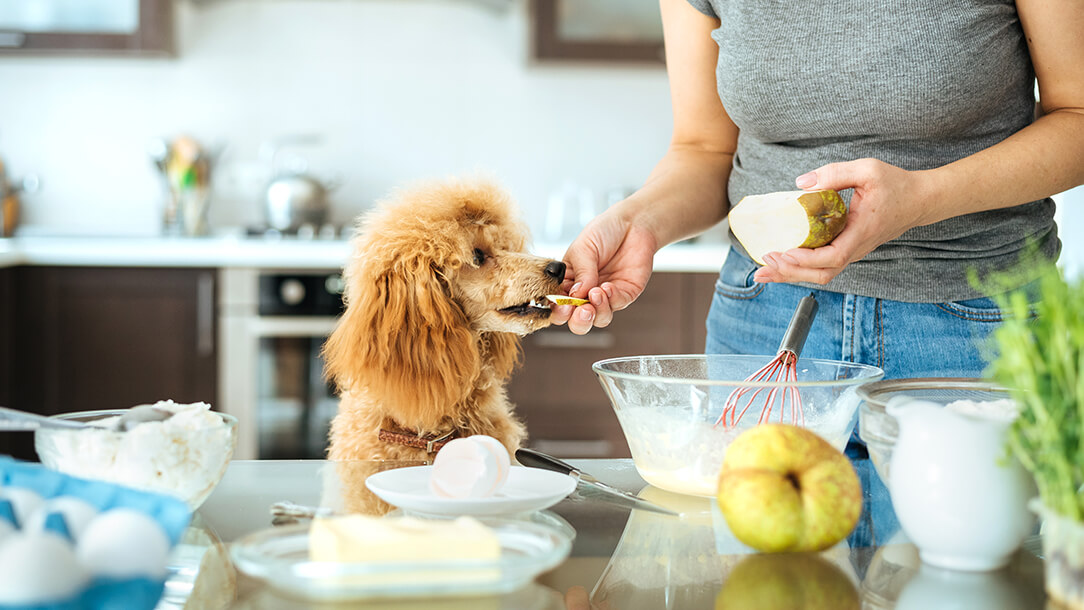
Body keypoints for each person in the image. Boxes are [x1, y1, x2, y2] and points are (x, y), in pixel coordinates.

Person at [551, 0, 1084, 383]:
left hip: (977, 323)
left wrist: (923, 198)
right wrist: (641, 221)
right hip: (764, 317)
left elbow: (1076, 117)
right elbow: (703, 150)